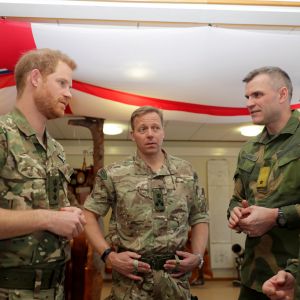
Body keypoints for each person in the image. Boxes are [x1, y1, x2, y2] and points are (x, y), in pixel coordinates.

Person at [84, 106, 209, 300]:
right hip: (131, 282)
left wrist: (198, 257)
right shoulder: (114, 174)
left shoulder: (186, 172)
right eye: (142, 129)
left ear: (163, 132)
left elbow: (199, 216)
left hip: (175, 281)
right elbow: (88, 214)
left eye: (155, 128)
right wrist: (108, 255)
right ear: (132, 135)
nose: (150, 134)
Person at [0, 48, 86, 299]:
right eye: (61, 83)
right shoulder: (3, 136)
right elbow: (48, 217)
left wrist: (71, 214)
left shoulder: (56, 150)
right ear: (35, 78)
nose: (68, 93)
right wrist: (48, 219)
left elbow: (56, 208)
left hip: (54, 288)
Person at [227, 66, 300, 300]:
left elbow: (275, 213)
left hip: (291, 277)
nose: (249, 102)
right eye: (247, 97)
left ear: (282, 94)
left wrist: (277, 215)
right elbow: (236, 199)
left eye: (257, 95)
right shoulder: (249, 149)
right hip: (253, 275)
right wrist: (236, 213)